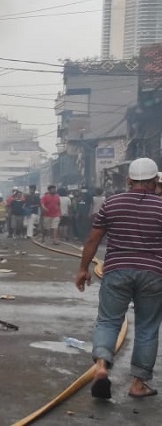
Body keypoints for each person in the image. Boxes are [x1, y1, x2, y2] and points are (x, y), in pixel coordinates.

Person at [76, 157, 162, 400]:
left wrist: (83, 269)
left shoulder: (111, 203)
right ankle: (138, 384)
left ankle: (102, 366)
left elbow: (93, 239)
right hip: (154, 273)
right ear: (155, 180)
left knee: (108, 321)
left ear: (129, 180)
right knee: (147, 327)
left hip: (116, 270)